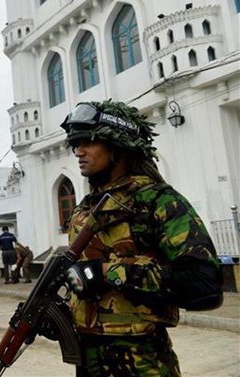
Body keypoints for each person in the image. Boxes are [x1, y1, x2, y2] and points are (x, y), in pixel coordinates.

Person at [60, 100, 222, 376]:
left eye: (89, 141)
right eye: (77, 143)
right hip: (87, 358)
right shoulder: (85, 209)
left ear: (119, 148)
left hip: (141, 361)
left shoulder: (158, 201)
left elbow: (204, 284)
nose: (79, 151)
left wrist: (106, 273)